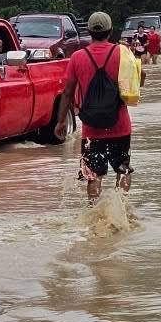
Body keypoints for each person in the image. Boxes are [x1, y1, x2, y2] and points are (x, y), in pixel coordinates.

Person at [55, 11, 133, 202]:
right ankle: (121, 209)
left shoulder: (77, 57)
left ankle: (93, 213)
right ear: (111, 31)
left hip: (91, 128)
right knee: (122, 169)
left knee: (93, 175)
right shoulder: (122, 53)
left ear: (88, 31)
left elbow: (67, 92)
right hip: (120, 125)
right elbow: (137, 83)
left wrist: (60, 122)